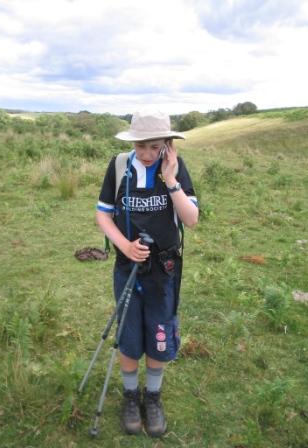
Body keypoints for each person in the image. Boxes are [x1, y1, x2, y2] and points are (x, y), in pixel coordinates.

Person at [96, 110, 198, 437]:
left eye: (155, 147)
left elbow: (191, 218)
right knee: (128, 333)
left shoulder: (177, 169)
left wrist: (170, 181)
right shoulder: (118, 167)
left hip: (164, 272)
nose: (147, 154)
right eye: (141, 146)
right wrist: (125, 246)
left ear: (168, 145)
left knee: (159, 331)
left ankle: (152, 397)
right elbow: (103, 217)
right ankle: (130, 396)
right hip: (127, 268)